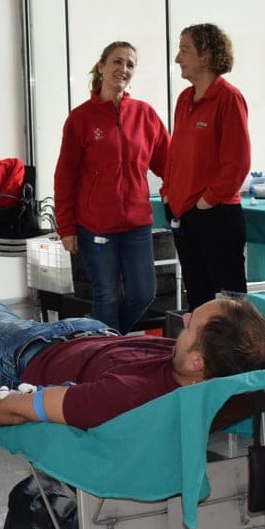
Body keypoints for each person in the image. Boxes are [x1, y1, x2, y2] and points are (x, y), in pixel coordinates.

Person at [0, 269, 265, 430]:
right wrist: (262, 371)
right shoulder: (228, 379)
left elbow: (19, 406)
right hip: (97, 333)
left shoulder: (123, 398)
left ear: (197, 361)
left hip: (30, 352)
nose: (182, 319)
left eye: (192, 323)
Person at [53, 41, 170, 334]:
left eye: (130, 64)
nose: (124, 69)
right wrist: (66, 226)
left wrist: (185, 190)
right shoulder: (80, 119)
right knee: (107, 295)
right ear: (102, 66)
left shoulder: (146, 115)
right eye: (117, 62)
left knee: (143, 293)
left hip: (136, 223)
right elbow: (65, 175)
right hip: (96, 226)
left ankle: (101, 337)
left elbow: (169, 164)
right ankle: (108, 356)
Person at [162, 23, 251, 309]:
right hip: (186, 214)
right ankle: (202, 356)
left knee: (228, 307)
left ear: (206, 55)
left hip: (216, 215)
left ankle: (236, 356)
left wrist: (206, 201)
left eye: (184, 50)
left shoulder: (228, 98)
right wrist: (168, 192)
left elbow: (237, 162)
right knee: (198, 305)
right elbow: (175, 155)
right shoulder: (184, 99)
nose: (177, 58)